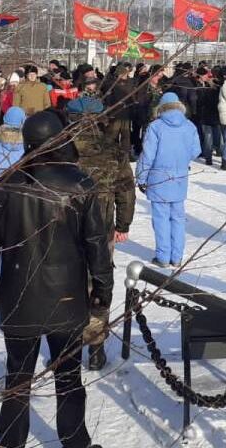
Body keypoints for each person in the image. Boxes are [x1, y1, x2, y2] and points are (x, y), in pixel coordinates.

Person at [0, 111, 113, 448]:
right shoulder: (79, 184)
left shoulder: (4, 185)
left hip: (20, 295)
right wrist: (102, 290)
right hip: (64, 296)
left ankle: (13, 443)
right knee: (66, 376)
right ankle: (74, 440)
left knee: (19, 378)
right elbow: (97, 244)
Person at [71, 96, 136, 370]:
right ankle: (96, 348)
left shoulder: (59, 150)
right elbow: (126, 190)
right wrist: (122, 225)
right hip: (102, 228)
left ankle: (67, 350)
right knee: (100, 284)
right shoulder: (113, 151)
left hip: (66, 230)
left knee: (67, 286)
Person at [137, 92, 201, 268]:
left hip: (158, 178)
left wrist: (141, 177)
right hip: (180, 177)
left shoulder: (156, 127)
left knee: (160, 218)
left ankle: (163, 257)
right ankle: (177, 257)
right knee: (178, 218)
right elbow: (196, 150)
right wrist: (182, 159)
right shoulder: (189, 126)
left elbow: (147, 155)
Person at [192, 67, 223, 165]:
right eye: (206, 75)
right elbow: (199, 101)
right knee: (208, 138)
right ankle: (208, 157)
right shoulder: (199, 87)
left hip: (213, 116)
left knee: (216, 137)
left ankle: (218, 153)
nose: (208, 77)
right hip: (206, 116)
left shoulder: (212, 87)